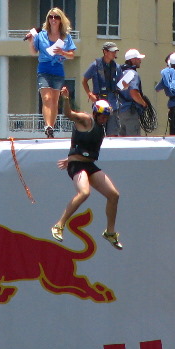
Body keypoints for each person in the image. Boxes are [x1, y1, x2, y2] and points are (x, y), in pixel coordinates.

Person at [50, 86, 122, 250]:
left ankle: (110, 232)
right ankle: (59, 225)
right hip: (77, 165)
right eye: (102, 116)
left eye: (106, 117)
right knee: (84, 192)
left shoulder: (101, 128)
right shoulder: (86, 120)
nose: (104, 119)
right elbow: (69, 114)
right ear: (95, 113)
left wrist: (70, 158)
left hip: (88, 165)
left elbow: (85, 152)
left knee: (114, 195)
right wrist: (66, 99)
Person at [25, 7, 76, 138]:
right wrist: (31, 41)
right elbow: (33, 52)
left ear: (61, 20)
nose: (53, 19)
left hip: (58, 70)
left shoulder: (65, 37)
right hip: (44, 69)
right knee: (46, 98)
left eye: (56, 17)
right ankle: (47, 126)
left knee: (54, 100)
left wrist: (62, 52)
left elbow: (71, 55)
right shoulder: (41, 35)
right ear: (48, 19)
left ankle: (51, 129)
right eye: (51, 17)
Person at [81, 41, 122, 136]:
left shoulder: (117, 67)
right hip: (99, 103)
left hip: (113, 104)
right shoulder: (95, 65)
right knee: (97, 133)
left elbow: (120, 85)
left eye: (115, 51)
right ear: (105, 52)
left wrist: (124, 85)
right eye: (112, 51)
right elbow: (84, 81)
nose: (114, 53)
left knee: (113, 133)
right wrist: (89, 94)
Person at [116, 49, 147, 136]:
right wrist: (144, 104)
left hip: (119, 112)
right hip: (130, 113)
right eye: (138, 58)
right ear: (132, 60)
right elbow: (134, 92)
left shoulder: (120, 73)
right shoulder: (133, 74)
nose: (140, 60)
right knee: (134, 142)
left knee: (121, 143)